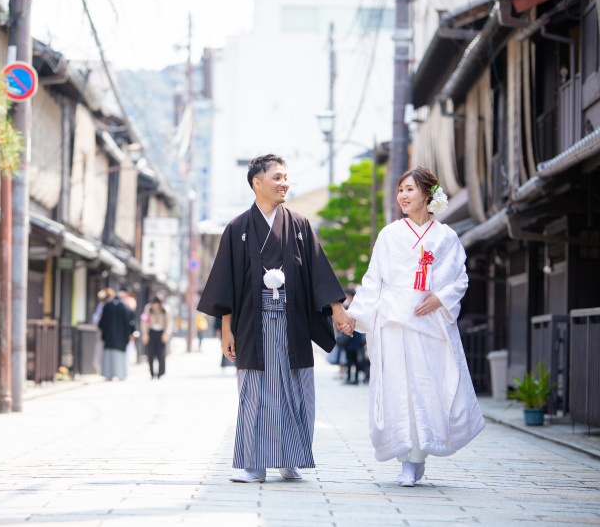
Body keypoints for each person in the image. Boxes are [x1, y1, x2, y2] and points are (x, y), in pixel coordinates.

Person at [197, 154, 352, 483]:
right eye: (277, 178)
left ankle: (291, 459)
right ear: (257, 182)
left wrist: (338, 308)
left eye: (286, 178)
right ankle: (254, 465)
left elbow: (318, 271)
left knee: (296, 388)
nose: (285, 183)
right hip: (254, 323)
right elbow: (225, 282)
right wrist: (226, 329)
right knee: (256, 389)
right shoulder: (238, 228)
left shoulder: (298, 225)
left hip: (292, 320)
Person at [347, 166, 485, 487]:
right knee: (399, 389)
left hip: (429, 323)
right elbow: (373, 280)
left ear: (427, 195)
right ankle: (407, 459)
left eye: (410, 190)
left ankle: (419, 454)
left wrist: (440, 298)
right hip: (393, 321)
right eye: (400, 190)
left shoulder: (445, 237)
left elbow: (459, 279)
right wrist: (355, 315)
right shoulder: (389, 234)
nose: (403, 196)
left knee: (426, 387)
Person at [98, 289, 135, 381]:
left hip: (109, 337)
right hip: (122, 338)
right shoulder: (126, 307)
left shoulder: (107, 306)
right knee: (121, 357)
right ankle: (121, 374)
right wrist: (130, 333)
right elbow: (130, 323)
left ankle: (108, 375)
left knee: (108, 356)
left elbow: (102, 323)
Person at [141, 295, 172, 379]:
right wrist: (145, 333)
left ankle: (160, 373)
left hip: (161, 333)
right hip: (151, 332)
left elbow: (169, 322)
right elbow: (144, 321)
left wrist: (166, 333)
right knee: (150, 353)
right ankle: (151, 373)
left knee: (161, 354)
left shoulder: (165, 309)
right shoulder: (148, 308)